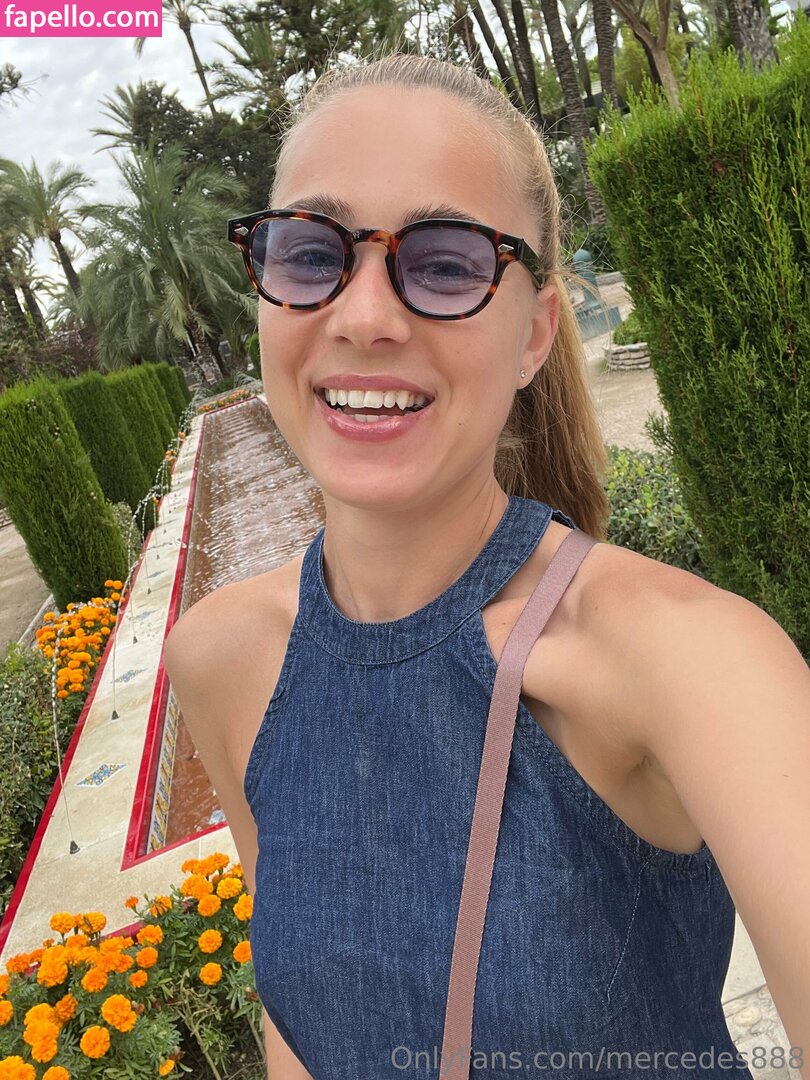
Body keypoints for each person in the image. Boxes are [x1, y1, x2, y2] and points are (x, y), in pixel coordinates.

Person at [163, 51, 810, 1080]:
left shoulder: (686, 661)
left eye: (446, 263)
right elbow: (303, 1022)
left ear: (535, 334)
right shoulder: (221, 659)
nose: (362, 316)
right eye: (311, 253)